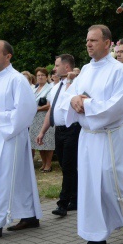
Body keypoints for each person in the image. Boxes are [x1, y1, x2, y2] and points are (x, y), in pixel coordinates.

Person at [56, 24, 123, 244]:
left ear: (108, 43)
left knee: (118, 182)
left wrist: (85, 104)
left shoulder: (119, 71)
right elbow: (67, 98)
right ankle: (96, 238)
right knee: (90, 187)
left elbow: (118, 106)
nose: (88, 44)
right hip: (88, 139)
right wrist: (74, 100)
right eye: (87, 40)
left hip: (110, 137)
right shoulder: (86, 71)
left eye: (94, 40)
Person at [0, 40, 42, 243]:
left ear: (8, 56)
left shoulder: (16, 79)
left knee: (2, 178)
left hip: (12, 134)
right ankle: (29, 215)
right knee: (20, 176)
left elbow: (26, 110)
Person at [36, 54, 81, 217]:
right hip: (59, 130)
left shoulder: (76, 85)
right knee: (65, 165)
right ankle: (75, 199)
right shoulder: (55, 87)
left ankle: (63, 203)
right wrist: (42, 131)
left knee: (69, 166)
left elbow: (69, 97)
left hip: (72, 129)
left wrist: (70, 80)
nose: (54, 69)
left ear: (66, 67)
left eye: (56, 65)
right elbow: (52, 110)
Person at [29, 67, 54, 172]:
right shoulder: (34, 88)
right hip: (35, 118)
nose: (40, 77)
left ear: (47, 77)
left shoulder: (50, 88)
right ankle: (43, 163)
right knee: (39, 142)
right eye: (38, 75)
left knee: (47, 142)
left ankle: (48, 164)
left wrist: (36, 108)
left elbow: (49, 105)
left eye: (42, 75)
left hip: (45, 117)